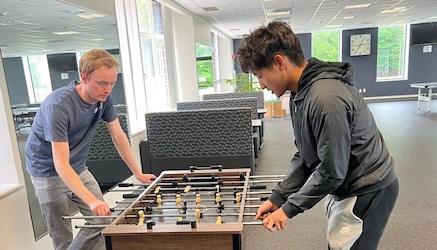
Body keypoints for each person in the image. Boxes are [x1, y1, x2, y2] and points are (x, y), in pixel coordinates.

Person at [237, 21, 399, 250]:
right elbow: (305, 155)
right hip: (348, 180)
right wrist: (278, 197)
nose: (261, 85)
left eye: (260, 75)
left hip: (369, 187)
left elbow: (332, 170)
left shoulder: (325, 99)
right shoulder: (299, 93)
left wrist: (289, 209)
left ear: (279, 62)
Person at [25, 49, 156, 250]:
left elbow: (119, 136)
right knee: (62, 238)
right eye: (102, 83)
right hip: (46, 171)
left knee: (103, 221)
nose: (108, 89)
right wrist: (92, 201)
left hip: (77, 167)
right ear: (83, 77)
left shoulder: (104, 100)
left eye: (112, 83)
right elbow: (60, 164)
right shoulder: (58, 106)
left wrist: (137, 173)